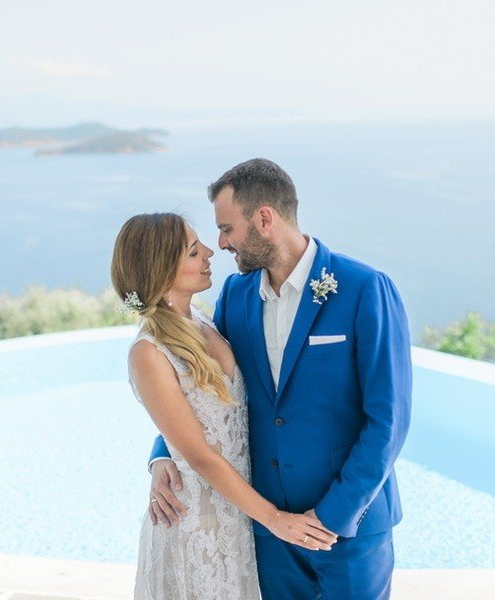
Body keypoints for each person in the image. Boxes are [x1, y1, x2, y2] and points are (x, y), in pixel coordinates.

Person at [147, 159, 412, 599]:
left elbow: (389, 420)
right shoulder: (236, 295)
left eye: (227, 229)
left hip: (350, 526)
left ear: (264, 219)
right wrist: (162, 456)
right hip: (267, 530)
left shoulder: (364, 288)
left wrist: (332, 516)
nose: (221, 243)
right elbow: (203, 389)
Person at [112, 212, 338, 600]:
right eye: (192, 251)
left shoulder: (202, 320)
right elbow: (200, 456)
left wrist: (160, 456)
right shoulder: (148, 352)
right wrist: (277, 520)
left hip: (236, 517)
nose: (209, 252)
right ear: (162, 270)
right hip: (194, 527)